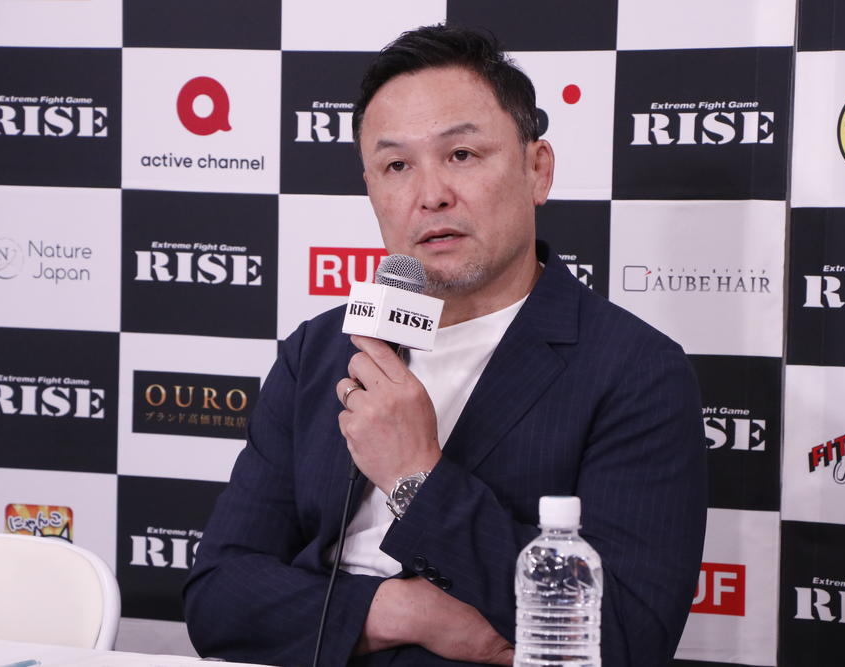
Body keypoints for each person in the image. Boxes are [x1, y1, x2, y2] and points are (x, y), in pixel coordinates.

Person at [184, 24, 706, 667]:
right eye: (397, 166)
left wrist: (416, 476)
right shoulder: (317, 353)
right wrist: (401, 612)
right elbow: (218, 598)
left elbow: (626, 638)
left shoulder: (635, 371)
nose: (430, 195)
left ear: (537, 170)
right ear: (372, 190)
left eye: (461, 154)